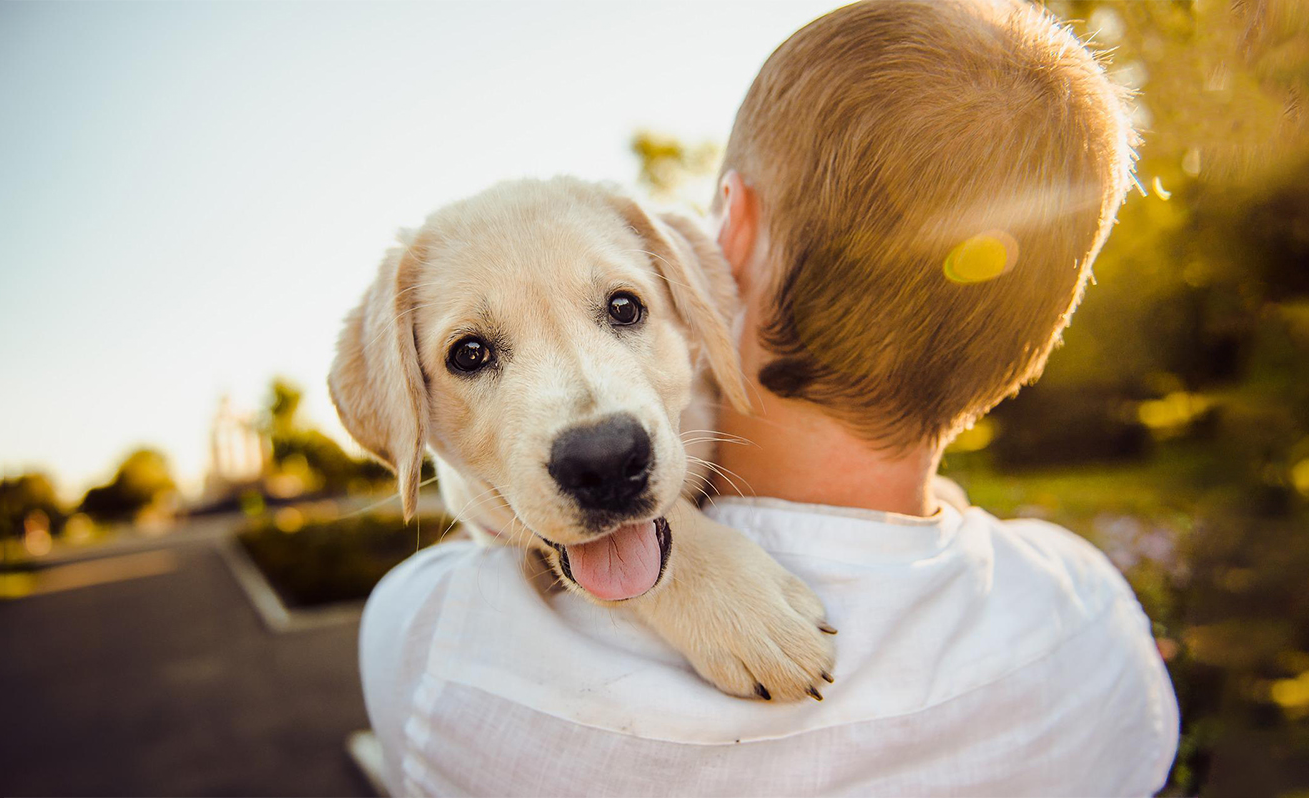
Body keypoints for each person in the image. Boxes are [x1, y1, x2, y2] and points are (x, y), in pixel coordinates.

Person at [358, 0, 1179, 794]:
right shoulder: (1094, 619)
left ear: (729, 238)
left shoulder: (435, 645)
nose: (596, 431)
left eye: (622, 309)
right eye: (473, 354)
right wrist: (682, 563)